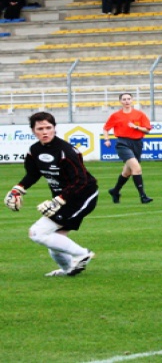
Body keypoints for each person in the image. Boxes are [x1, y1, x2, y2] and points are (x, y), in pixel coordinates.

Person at [3, 112, 96, 277]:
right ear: (33, 131)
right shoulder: (34, 150)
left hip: (82, 196)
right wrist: (18, 189)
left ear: (55, 129)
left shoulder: (66, 151)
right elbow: (32, 174)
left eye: (48, 127)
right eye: (40, 128)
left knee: (37, 233)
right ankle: (69, 270)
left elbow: (80, 181)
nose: (45, 132)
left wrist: (58, 201)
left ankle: (82, 254)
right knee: (54, 240)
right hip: (64, 197)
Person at [103, 92, 153, 204]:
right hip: (122, 143)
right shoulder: (116, 115)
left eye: (128, 99)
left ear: (132, 100)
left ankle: (115, 191)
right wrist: (107, 140)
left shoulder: (139, 114)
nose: (126, 101)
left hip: (137, 143)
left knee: (127, 172)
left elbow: (147, 130)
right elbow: (106, 128)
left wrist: (136, 127)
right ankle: (143, 196)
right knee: (137, 168)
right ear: (120, 101)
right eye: (124, 99)